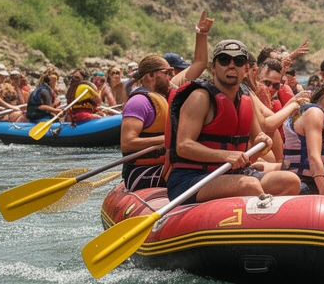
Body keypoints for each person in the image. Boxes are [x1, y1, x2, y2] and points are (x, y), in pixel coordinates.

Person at [166, 40, 300, 203]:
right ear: (213, 67)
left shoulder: (245, 98)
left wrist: (262, 142)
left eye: (238, 62)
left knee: (290, 181)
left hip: (233, 174)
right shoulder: (200, 97)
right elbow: (183, 146)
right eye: (224, 60)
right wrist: (225, 155)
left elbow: (256, 145)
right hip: (191, 179)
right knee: (249, 186)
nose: (231, 65)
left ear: (246, 69)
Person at [119, 55, 176, 190]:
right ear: (151, 75)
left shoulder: (162, 99)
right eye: (167, 73)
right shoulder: (139, 102)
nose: (170, 77)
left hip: (161, 166)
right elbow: (127, 144)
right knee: (185, 176)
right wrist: (167, 139)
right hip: (140, 173)